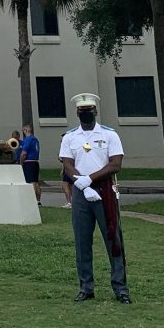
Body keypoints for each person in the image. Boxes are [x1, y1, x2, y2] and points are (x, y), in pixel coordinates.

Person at [59, 93, 131, 305]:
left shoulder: (109, 135)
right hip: (81, 192)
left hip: (104, 190)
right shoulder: (70, 137)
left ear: (95, 112)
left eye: (89, 111)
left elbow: (115, 164)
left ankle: (120, 288)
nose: (86, 115)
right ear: (77, 113)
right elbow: (67, 163)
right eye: (82, 112)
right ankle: (86, 287)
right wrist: (80, 181)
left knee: (113, 239)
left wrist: (89, 179)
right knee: (82, 241)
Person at [19, 124, 41, 206]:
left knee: (31, 182)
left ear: (25, 130)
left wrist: (21, 162)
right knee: (36, 182)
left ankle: (32, 200)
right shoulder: (35, 139)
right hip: (35, 162)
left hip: (29, 162)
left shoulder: (28, 139)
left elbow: (24, 153)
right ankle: (38, 200)